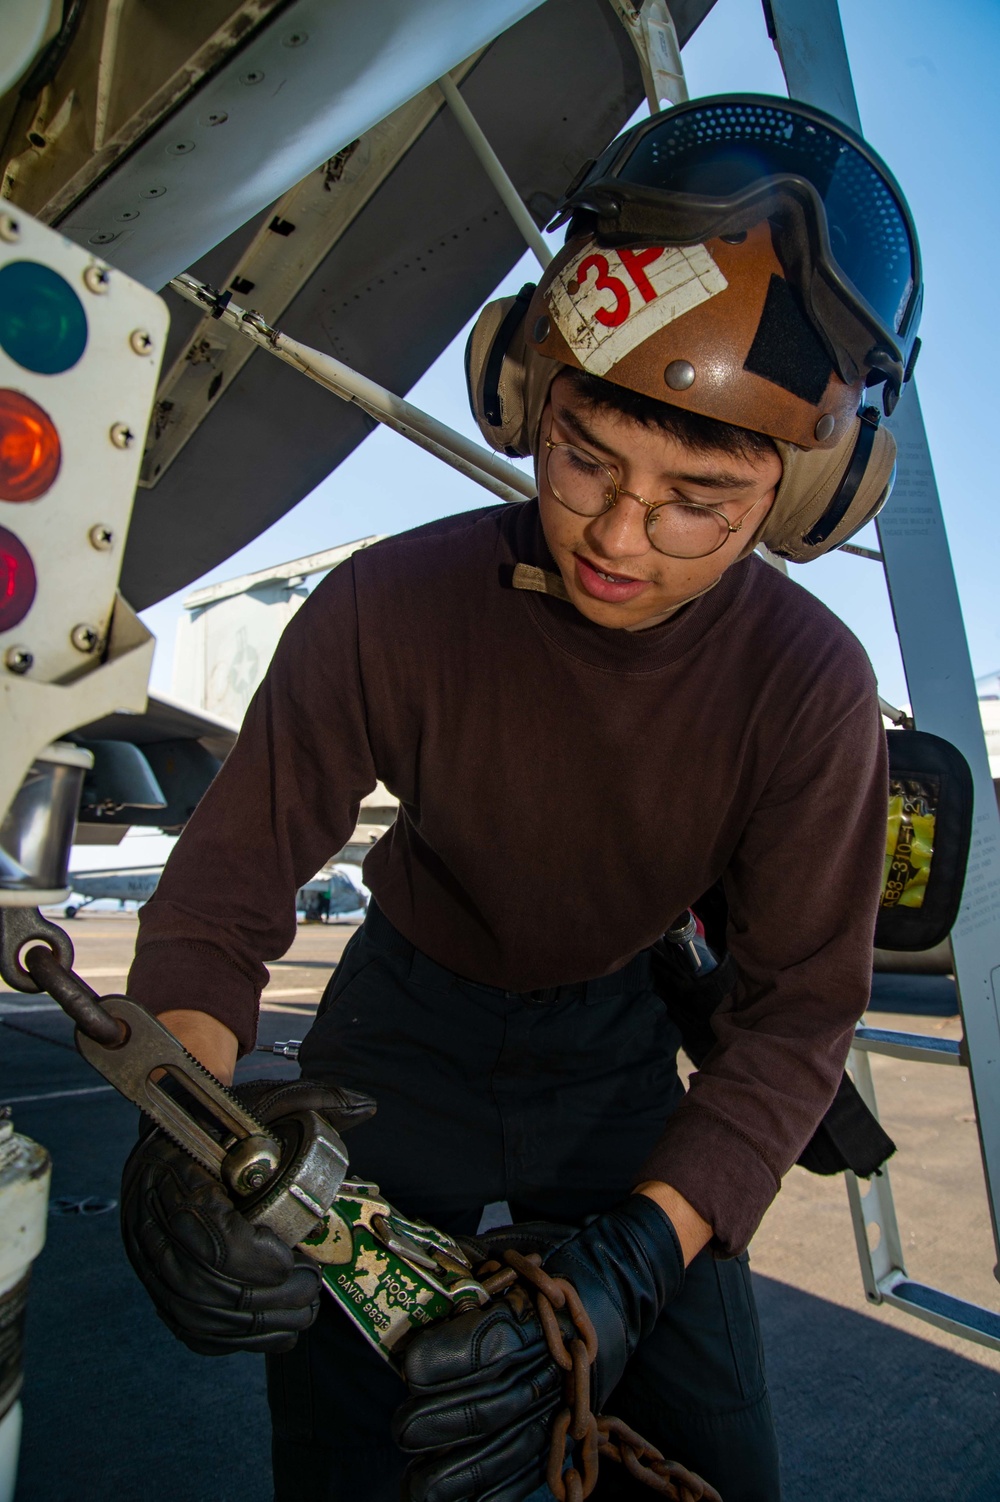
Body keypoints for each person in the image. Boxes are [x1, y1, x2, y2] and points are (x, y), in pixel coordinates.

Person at [120, 95, 922, 1502]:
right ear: (520, 387)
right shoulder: (389, 605)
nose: (619, 534)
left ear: (809, 492)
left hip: (614, 1042)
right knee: (344, 1440)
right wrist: (188, 1130)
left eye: (701, 497)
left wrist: (632, 1258)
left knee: (717, 1448)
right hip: (397, 1025)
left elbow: (797, 1015)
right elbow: (225, 896)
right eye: (585, 455)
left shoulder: (809, 687)